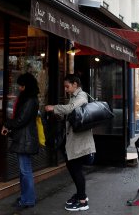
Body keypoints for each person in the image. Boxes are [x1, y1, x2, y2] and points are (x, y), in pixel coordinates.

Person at [45, 74, 96, 212]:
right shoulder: (74, 97)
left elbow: (70, 109)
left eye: (67, 86)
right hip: (74, 141)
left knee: (76, 170)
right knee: (73, 168)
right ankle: (80, 194)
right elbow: (70, 114)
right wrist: (59, 114)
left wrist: (53, 108)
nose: (66, 89)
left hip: (80, 142)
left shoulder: (81, 96)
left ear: (75, 84)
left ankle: (83, 200)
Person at [1, 72, 39, 210]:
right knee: (25, 170)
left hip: (25, 140)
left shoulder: (29, 100)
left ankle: (28, 199)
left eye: (21, 86)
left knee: (25, 171)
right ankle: (27, 196)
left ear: (26, 86)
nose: (19, 89)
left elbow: (21, 120)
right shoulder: (29, 98)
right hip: (24, 138)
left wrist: (7, 124)